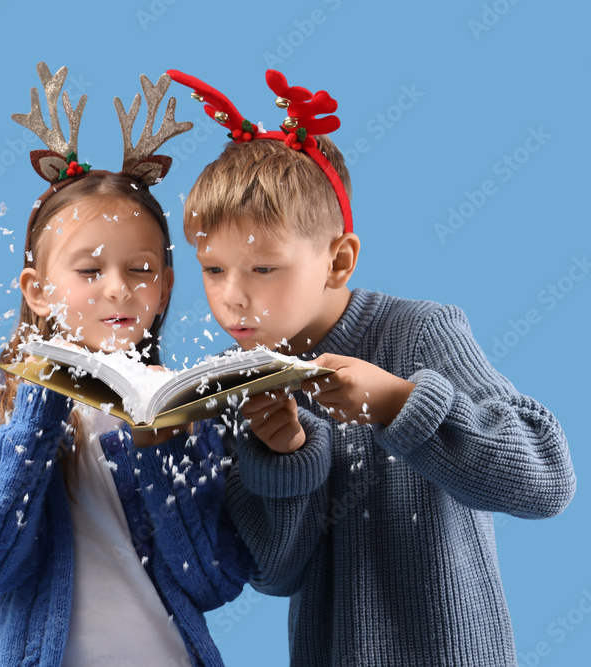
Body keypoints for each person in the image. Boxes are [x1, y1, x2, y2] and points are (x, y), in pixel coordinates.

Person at [170, 68, 576, 666]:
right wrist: (286, 458)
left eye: (263, 269)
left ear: (338, 261)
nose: (232, 296)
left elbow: (545, 479)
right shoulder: (237, 381)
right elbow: (275, 574)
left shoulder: (419, 331)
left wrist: (398, 405)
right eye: (213, 269)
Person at [0, 63, 251, 667]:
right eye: (89, 271)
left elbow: (215, 580)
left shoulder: (188, 410)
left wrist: (165, 448)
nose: (117, 290)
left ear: (163, 287)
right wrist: (40, 407)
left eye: (139, 271)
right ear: (36, 289)